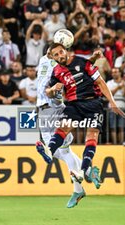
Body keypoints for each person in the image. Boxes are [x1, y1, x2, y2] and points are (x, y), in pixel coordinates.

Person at [36, 43, 125, 186]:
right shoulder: (57, 72)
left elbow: (101, 83)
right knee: (63, 128)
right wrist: (53, 88)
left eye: (61, 52)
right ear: (53, 58)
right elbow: (47, 91)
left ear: (66, 51)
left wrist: (112, 102)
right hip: (74, 105)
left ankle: (85, 169)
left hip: (93, 104)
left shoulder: (82, 62)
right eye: (56, 55)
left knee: (91, 136)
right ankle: (49, 151)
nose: (60, 56)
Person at [35, 48, 102, 208]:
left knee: (57, 151)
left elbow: (78, 66)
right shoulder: (46, 62)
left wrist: (55, 94)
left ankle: (80, 180)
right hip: (47, 108)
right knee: (63, 152)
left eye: (59, 53)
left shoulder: (59, 66)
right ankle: (86, 173)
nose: (57, 56)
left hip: (51, 108)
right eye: (54, 53)